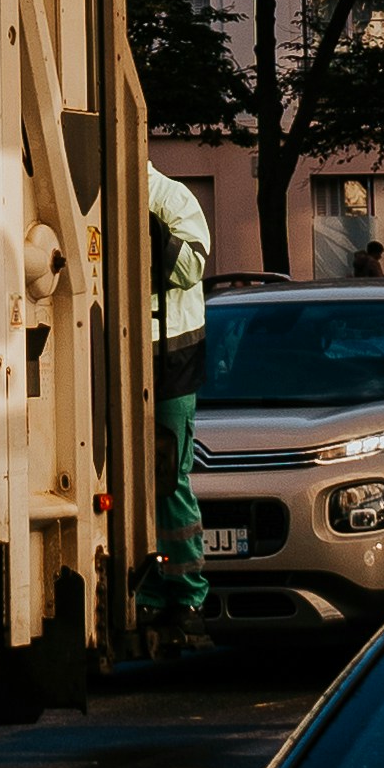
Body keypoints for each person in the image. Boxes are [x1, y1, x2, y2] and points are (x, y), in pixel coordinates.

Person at [134, 163, 215, 644]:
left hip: (171, 360)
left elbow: (192, 267)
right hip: (132, 356)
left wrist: (151, 234)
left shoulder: (168, 196)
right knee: (130, 481)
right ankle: (152, 593)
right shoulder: (124, 195)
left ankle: (185, 596)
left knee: (166, 478)